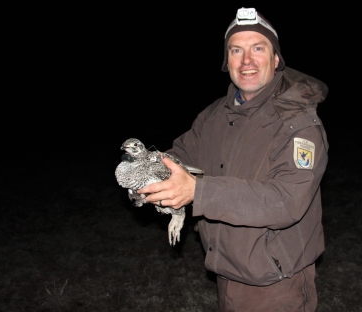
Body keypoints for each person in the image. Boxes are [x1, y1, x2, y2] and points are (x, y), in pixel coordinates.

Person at [138, 7, 329, 311]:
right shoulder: (215, 115)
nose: (247, 60)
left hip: (276, 284)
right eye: (236, 50)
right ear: (227, 61)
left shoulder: (298, 124)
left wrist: (198, 192)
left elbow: (287, 200)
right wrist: (147, 172)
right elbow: (182, 155)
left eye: (258, 48)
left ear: (276, 59)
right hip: (227, 271)